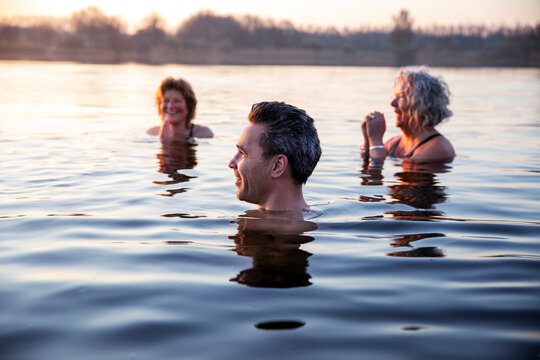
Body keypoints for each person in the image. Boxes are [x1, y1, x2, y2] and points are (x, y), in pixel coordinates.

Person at [228, 101, 321, 212]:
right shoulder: (320, 225)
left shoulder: (257, 227)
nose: (231, 163)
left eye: (243, 153)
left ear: (277, 165)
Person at [361, 67, 455, 163]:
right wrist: (368, 141)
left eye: (401, 97)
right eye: (395, 97)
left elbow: (376, 172)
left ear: (424, 105)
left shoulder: (437, 148)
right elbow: (366, 170)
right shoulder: (393, 143)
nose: (392, 103)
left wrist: (376, 141)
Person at [147, 77, 213, 139]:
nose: (170, 106)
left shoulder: (203, 134)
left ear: (189, 106)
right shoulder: (151, 133)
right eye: (166, 101)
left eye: (177, 101)